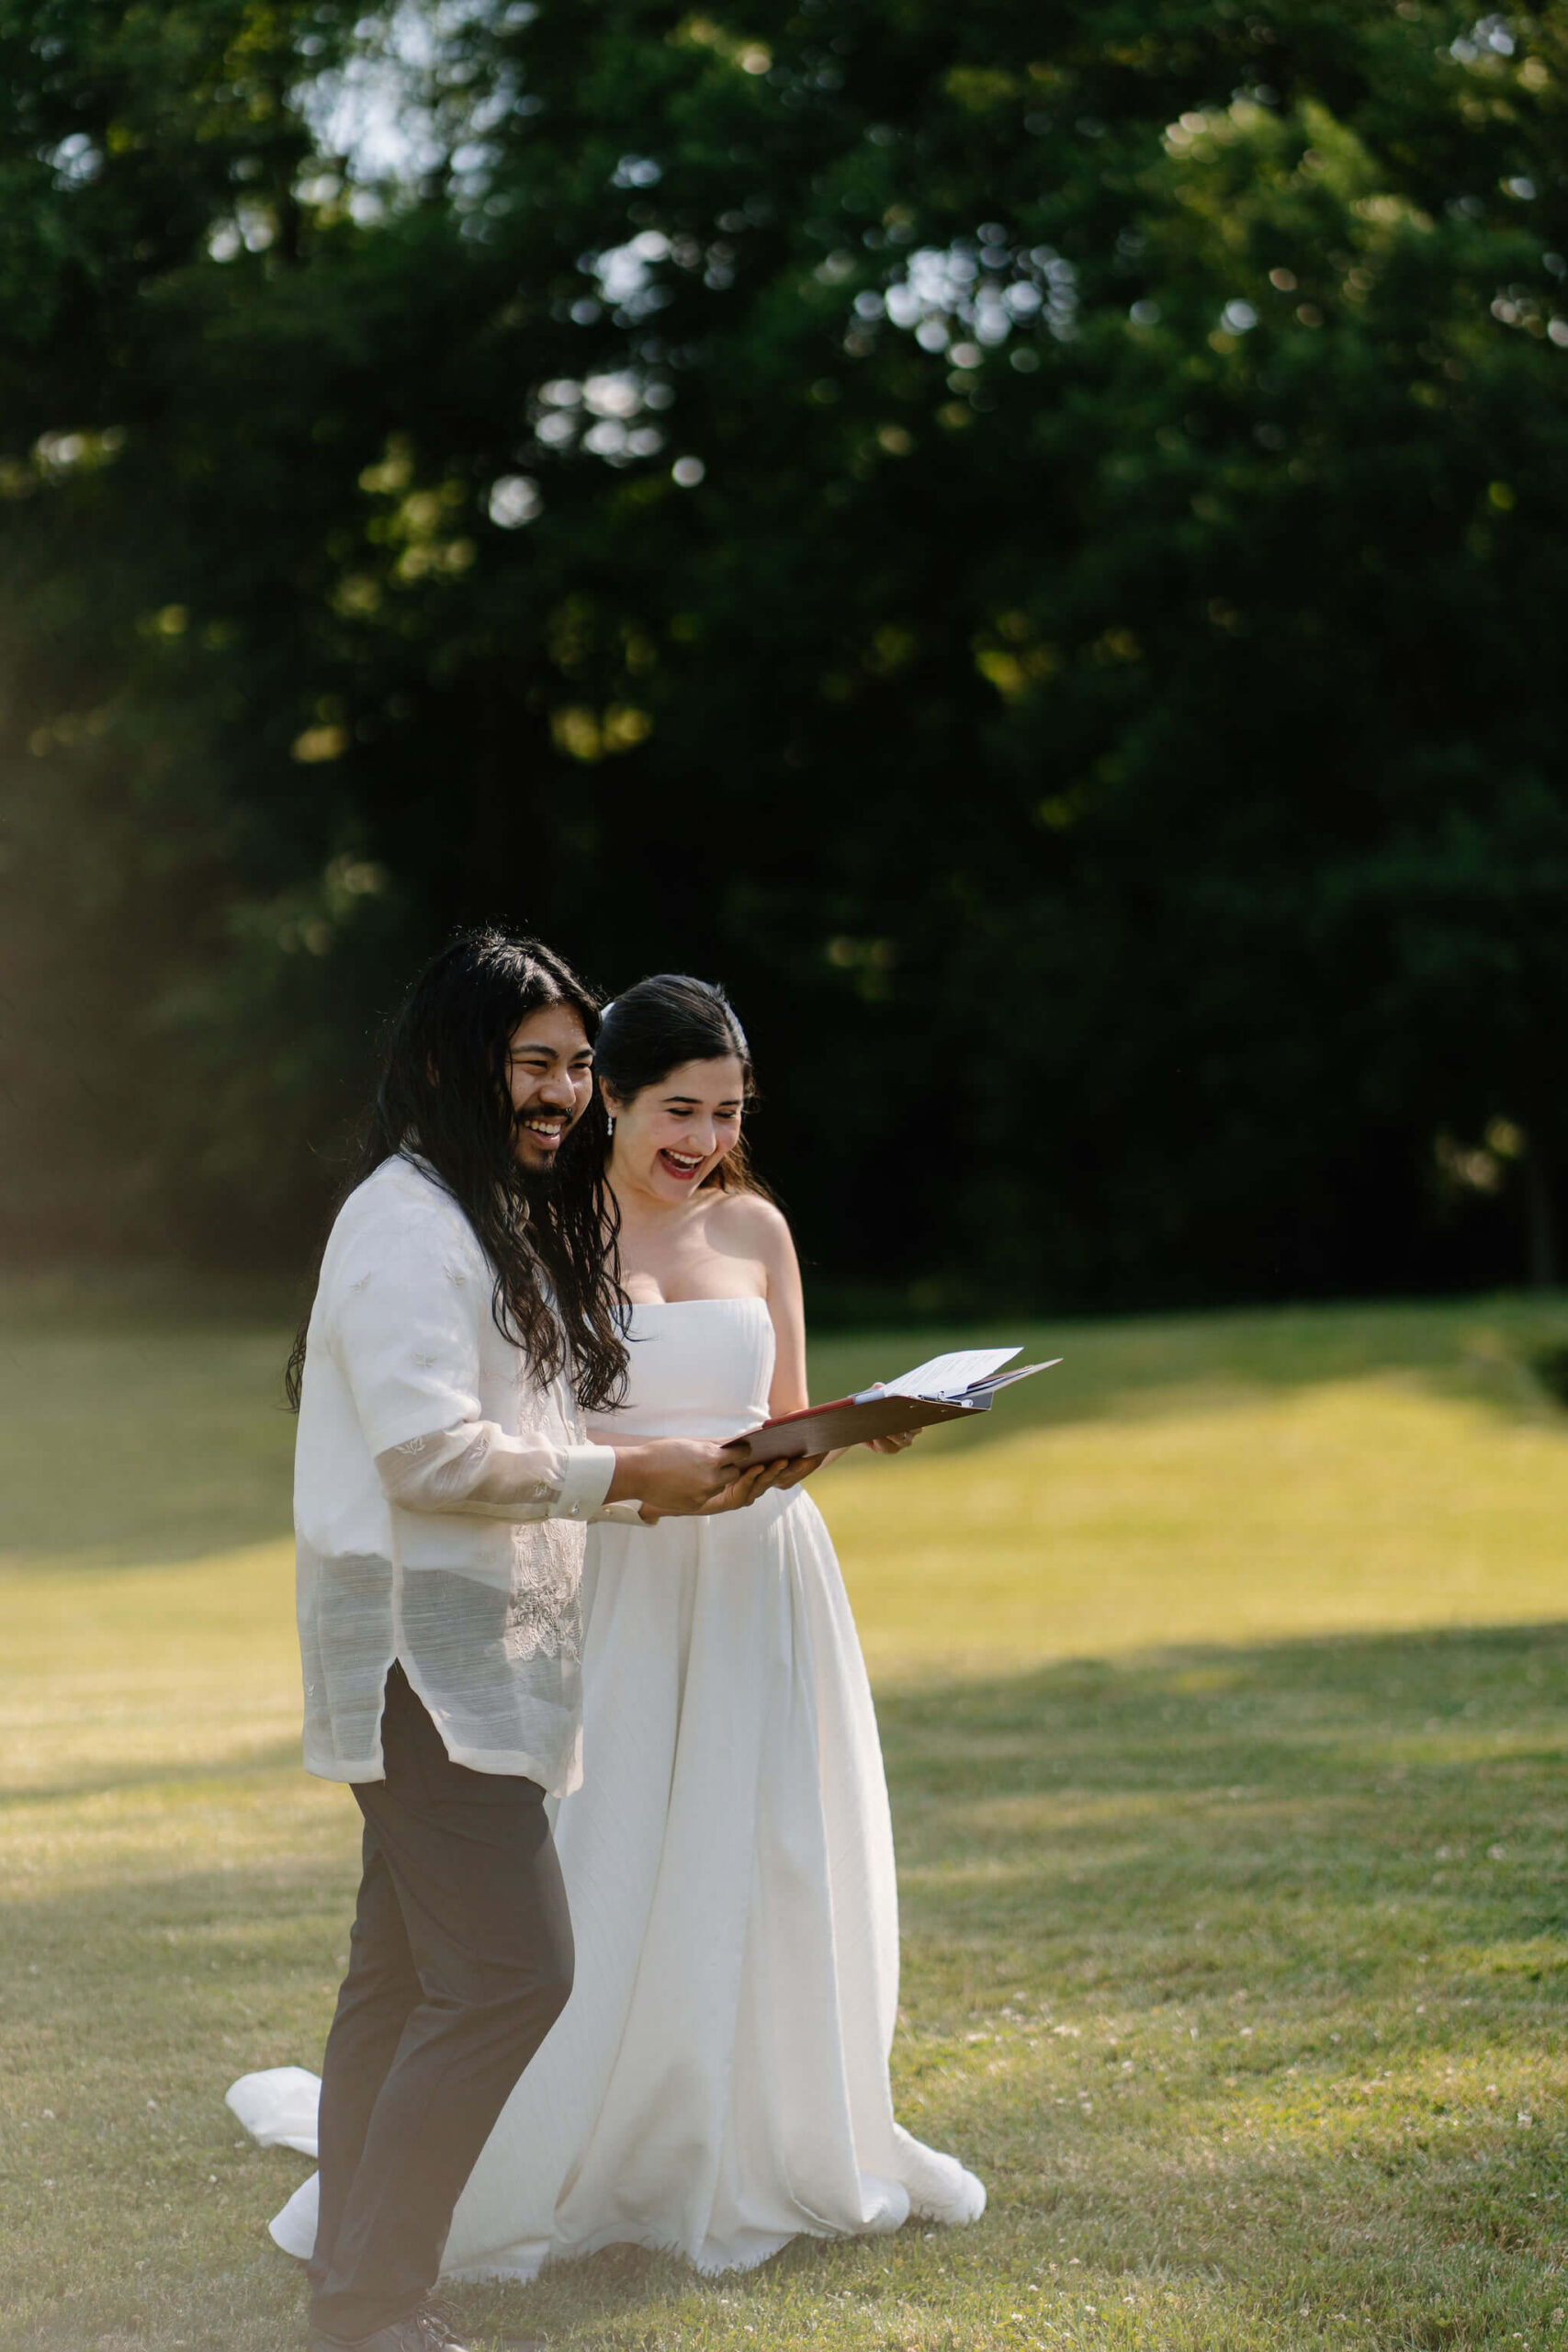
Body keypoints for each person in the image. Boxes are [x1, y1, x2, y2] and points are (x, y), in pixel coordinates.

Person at [274, 933, 790, 2352]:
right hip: (418, 1659)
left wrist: (665, 1470)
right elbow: (430, 1455)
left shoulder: (483, 1212)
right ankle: (376, 2301)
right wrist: (632, 1481)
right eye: (535, 1064)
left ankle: (352, 2290)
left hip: (478, 1651)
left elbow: (533, 1432)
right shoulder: (405, 1221)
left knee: (398, 1980)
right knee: (515, 1972)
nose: (562, 1093)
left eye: (575, 1065)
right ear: (459, 1059)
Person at [428, 973, 987, 2280]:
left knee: (770, 1849)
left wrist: (853, 1426)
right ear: (607, 1099)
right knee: (601, 1854)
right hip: (611, 1577)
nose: (705, 1139)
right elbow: (514, 1439)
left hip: (758, 1581)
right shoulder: (530, 1234)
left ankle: (757, 2132)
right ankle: (567, 2145)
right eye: (679, 1108)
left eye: (727, 1112)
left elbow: (784, 1416)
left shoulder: (761, 1234)